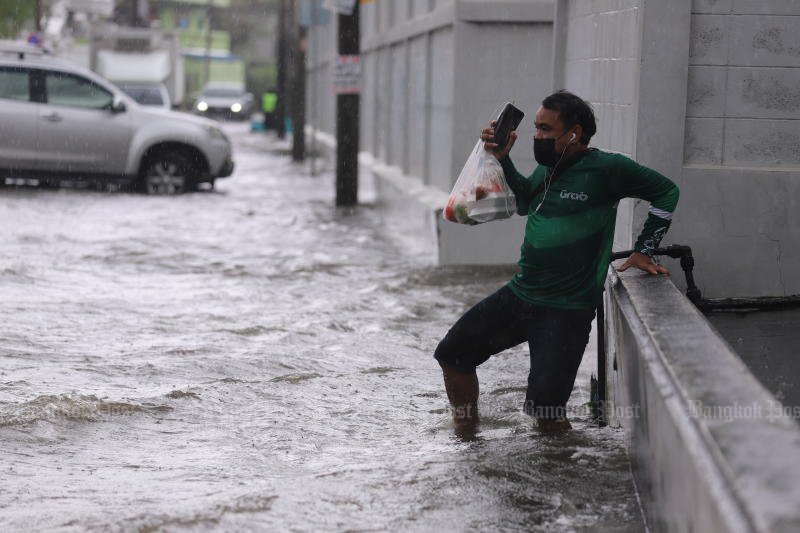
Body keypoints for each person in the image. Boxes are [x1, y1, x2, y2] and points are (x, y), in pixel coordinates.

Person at [434, 90, 679, 432]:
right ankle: (466, 435)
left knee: (546, 415)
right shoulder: (547, 168)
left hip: (566, 310)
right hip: (522, 294)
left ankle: (561, 473)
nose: (537, 137)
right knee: (452, 355)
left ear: (574, 133)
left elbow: (667, 192)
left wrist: (644, 249)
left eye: (546, 130)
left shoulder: (609, 169)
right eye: (536, 128)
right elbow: (523, 203)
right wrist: (503, 160)